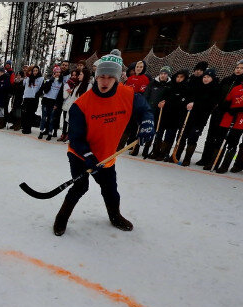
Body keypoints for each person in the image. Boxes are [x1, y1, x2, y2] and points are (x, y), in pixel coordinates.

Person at [52, 49, 155, 236]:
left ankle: (115, 216)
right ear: (96, 77)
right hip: (80, 155)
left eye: (109, 77)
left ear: (117, 78)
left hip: (107, 156)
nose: (105, 81)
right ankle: (61, 218)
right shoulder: (81, 105)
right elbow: (75, 138)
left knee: (110, 190)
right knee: (80, 187)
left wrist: (147, 123)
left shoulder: (128, 95)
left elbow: (145, 110)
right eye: (101, 76)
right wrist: (88, 156)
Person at [209, 65, 243, 173]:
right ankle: (213, 163)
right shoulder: (237, 88)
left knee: (232, 141)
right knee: (220, 140)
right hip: (228, 117)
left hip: (241, 119)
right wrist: (227, 108)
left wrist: (238, 109)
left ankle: (225, 166)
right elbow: (227, 101)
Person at [176, 68, 219, 166]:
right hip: (189, 116)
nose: (205, 79)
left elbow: (209, 106)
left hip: (200, 119)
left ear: (212, 78)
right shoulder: (197, 86)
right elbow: (189, 97)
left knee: (192, 138)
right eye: (204, 77)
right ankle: (176, 155)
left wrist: (195, 104)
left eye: (208, 77)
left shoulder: (214, 90)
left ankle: (187, 159)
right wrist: (188, 103)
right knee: (182, 136)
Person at [141, 66, 172, 158]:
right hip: (151, 111)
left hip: (162, 112)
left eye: (165, 74)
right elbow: (146, 95)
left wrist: (165, 103)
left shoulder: (170, 85)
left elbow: (170, 98)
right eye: (161, 73)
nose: (163, 75)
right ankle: (145, 149)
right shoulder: (153, 83)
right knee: (150, 130)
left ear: (168, 75)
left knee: (159, 132)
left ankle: (155, 151)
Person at [38, 65, 64, 140]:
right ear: (53, 73)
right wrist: (51, 80)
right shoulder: (49, 80)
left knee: (51, 118)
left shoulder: (61, 83)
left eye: (59, 72)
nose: (58, 74)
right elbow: (45, 90)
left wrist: (57, 104)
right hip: (46, 100)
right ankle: (41, 131)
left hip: (53, 102)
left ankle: (50, 133)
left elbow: (60, 95)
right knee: (44, 118)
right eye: (56, 72)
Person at [21, 65, 43, 134]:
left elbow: (41, 88)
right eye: (34, 71)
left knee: (31, 113)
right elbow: (23, 84)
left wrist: (37, 95)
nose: (35, 72)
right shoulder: (28, 78)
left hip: (34, 99)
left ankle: (28, 128)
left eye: (36, 70)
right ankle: (25, 127)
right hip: (27, 98)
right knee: (25, 113)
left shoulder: (41, 78)